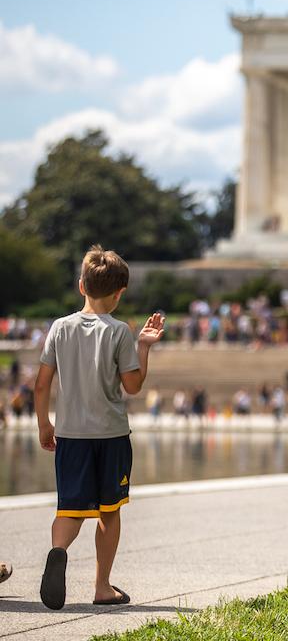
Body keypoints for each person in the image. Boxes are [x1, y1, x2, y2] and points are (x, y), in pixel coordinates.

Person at [34, 246, 165, 610]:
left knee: (70, 508)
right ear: (119, 293)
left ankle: (58, 550)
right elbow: (133, 386)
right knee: (109, 511)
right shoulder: (120, 332)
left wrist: (45, 423)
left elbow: (42, 383)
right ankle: (102, 587)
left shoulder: (59, 328)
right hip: (110, 436)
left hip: (70, 435)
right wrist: (144, 346)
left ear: (81, 286)